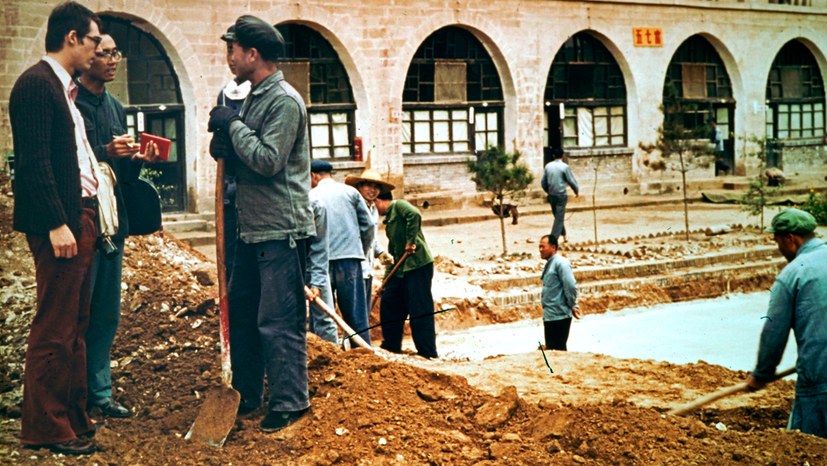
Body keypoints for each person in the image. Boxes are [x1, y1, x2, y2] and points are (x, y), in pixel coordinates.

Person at [207, 15, 315, 432]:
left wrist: (232, 126)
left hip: (280, 230)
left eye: (232, 49)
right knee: (245, 313)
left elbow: (270, 160)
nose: (229, 57)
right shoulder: (252, 97)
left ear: (252, 54)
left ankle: (290, 400)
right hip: (250, 229)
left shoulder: (284, 101)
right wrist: (226, 144)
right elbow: (246, 155)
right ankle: (248, 393)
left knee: (278, 318)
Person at [9, 1, 103, 455]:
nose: (98, 49)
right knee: (56, 326)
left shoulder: (64, 91)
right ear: (71, 38)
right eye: (92, 40)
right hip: (62, 221)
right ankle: (46, 427)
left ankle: (73, 416)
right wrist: (56, 224)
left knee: (76, 325)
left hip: (79, 216)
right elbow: (33, 165)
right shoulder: (35, 86)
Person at [75, 33, 158, 419]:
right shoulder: (69, 102)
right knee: (76, 311)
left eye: (116, 52)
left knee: (107, 310)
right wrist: (104, 152)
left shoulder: (115, 106)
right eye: (105, 53)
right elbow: (70, 160)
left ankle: (100, 390)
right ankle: (72, 393)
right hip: (79, 222)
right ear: (87, 56)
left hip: (112, 222)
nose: (112, 60)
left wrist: (138, 158)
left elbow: (121, 176)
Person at [746, 208, 827, 438]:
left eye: (777, 241)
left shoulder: (793, 274)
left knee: (807, 448)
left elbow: (774, 331)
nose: (778, 248)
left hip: (820, 382)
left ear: (790, 239)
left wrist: (762, 373)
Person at [310, 160, 375, 346]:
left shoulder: (311, 195)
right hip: (350, 260)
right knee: (356, 315)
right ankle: (363, 354)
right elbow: (368, 225)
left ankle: (326, 353)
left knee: (323, 314)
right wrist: (360, 250)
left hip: (320, 264)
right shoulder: (350, 192)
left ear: (314, 175)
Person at [373, 191, 438, 359]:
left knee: (419, 309)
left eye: (375, 203)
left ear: (380, 201)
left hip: (418, 265)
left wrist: (411, 241)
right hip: (401, 268)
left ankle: (427, 352)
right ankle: (391, 345)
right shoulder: (389, 223)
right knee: (389, 302)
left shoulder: (398, 205)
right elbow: (393, 254)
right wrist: (384, 283)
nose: (375, 208)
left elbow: (414, 214)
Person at [214, 24, 251, 283]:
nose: (231, 59)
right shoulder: (225, 96)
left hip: (256, 203)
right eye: (227, 50)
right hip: (229, 199)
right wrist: (216, 149)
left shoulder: (268, 96)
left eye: (234, 50)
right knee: (231, 275)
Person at [344, 168, 395, 306]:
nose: (372, 190)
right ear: (359, 187)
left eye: (376, 187)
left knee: (364, 310)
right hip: (354, 267)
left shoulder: (373, 208)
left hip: (368, 268)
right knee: (355, 310)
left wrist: (381, 252)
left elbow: (372, 237)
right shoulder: (353, 207)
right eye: (368, 185)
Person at [305, 197, 339, 344]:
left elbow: (320, 248)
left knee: (325, 320)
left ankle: (333, 359)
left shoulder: (315, 205)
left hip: (312, 265)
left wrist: (316, 282)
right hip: (282, 267)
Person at [538, 234, 580, 351]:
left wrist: (572, 305)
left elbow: (570, 286)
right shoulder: (550, 264)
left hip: (559, 316)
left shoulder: (561, 263)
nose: (540, 250)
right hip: (551, 315)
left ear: (553, 247)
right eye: (539, 247)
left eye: (543, 247)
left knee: (558, 351)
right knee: (553, 350)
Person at [541, 148, 578, 243]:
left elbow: (543, 182)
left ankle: (564, 235)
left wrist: (548, 191)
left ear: (553, 156)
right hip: (561, 195)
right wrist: (576, 190)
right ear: (562, 156)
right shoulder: (564, 167)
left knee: (558, 216)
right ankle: (552, 240)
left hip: (552, 195)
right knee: (559, 217)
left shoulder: (548, 166)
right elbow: (571, 181)